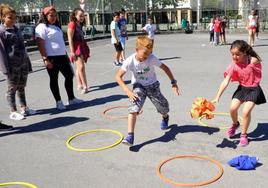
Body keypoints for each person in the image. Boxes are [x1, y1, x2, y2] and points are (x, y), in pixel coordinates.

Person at [115, 36, 180, 146]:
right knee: (133, 108)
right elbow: (118, 77)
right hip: (138, 86)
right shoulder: (129, 61)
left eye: (149, 53)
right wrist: (128, 91)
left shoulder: (151, 58)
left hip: (153, 85)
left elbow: (166, 68)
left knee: (163, 107)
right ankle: (130, 136)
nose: (147, 56)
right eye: (145, 54)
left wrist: (173, 83)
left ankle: (165, 117)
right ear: (137, 50)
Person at [213, 40, 266, 147]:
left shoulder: (253, 60)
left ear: (245, 53)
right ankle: (235, 123)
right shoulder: (233, 65)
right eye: (232, 54)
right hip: (242, 89)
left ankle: (243, 135)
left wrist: (250, 65)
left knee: (245, 112)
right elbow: (226, 81)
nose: (234, 57)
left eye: (238, 54)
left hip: (253, 89)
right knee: (232, 108)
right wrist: (217, 96)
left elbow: (257, 68)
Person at [35, 6, 83, 110]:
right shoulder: (41, 27)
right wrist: (45, 59)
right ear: (45, 15)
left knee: (69, 75)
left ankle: (71, 99)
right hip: (51, 58)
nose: (53, 17)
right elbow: (40, 43)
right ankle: (58, 102)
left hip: (62, 56)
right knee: (54, 79)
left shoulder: (56, 27)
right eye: (51, 15)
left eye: (55, 15)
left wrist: (66, 54)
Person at [0, 4, 36, 121]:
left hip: (23, 63)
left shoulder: (16, 29)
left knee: (21, 87)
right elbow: (1, 53)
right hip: (11, 66)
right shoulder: (2, 32)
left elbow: (23, 48)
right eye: (10, 18)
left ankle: (24, 108)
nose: (13, 20)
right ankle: (13, 111)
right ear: (3, 17)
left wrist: (28, 63)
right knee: (12, 89)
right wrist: (5, 69)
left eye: (14, 18)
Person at [67, 7, 90, 94]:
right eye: (80, 16)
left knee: (78, 67)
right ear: (75, 15)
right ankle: (85, 86)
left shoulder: (79, 24)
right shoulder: (72, 24)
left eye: (83, 16)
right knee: (81, 67)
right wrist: (72, 51)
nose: (82, 17)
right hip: (76, 47)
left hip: (81, 46)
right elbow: (69, 38)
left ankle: (79, 84)